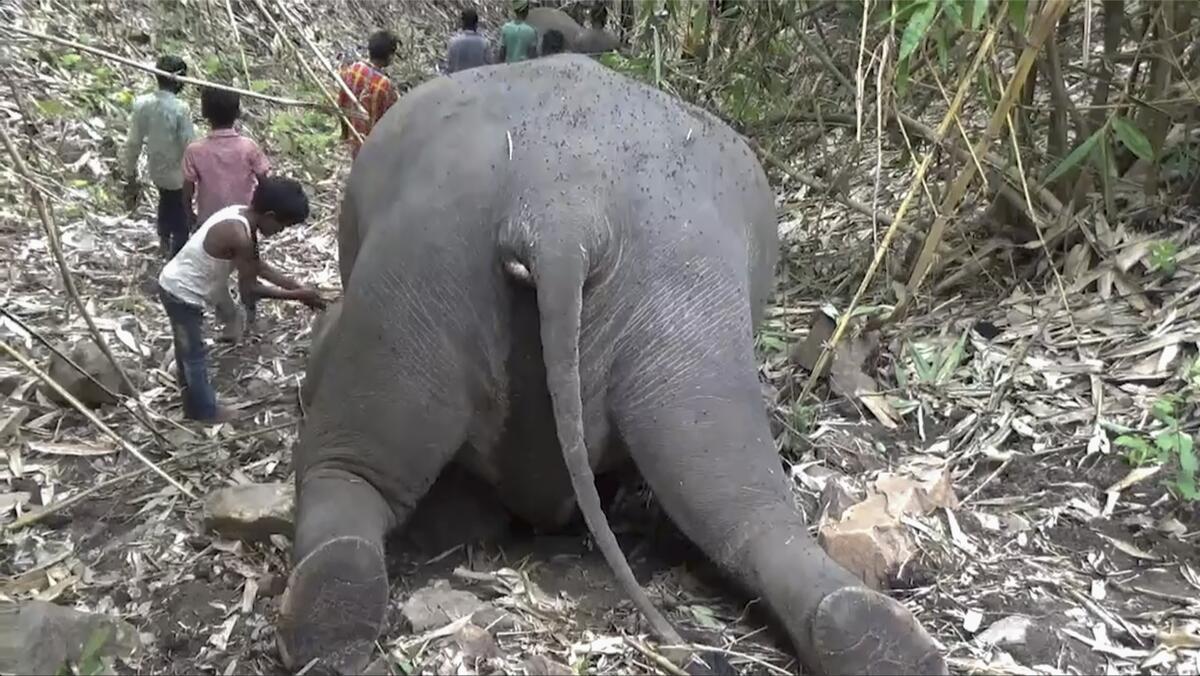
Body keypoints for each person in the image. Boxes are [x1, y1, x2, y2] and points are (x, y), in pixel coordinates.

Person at [158, 177, 326, 422]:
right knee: (193, 356)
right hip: (181, 293)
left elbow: (257, 266)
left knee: (187, 353)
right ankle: (206, 412)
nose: (281, 232)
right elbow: (250, 290)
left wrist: (297, 287)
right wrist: (298, 296)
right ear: (269, 215)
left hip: (177, 286)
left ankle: (194, 406)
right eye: (282, 225)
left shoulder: (240, 214)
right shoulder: (239, 236)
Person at [182, 87, 271, 341]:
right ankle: (250, 310)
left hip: (211, 224)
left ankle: (230, 316)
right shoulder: (248, 147)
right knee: (248, 268)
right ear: (238, 112)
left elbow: (187, 189)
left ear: (204, 112)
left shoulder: (195, 150)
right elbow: (265, 180)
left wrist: (189, 215)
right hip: (246, 222)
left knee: (215, 276)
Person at [123, 55, 195, 259]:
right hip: (178, 171)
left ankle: (164, 242)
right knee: (180, 212)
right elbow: (189, 144)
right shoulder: (181, 108)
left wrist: (129, 171)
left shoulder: (142, 103)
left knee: (166, 201)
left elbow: (133, 141)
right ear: (179, 80)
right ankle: (176, 254)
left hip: (156, 168)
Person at [338, 30, 401, 158]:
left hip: (353, 140)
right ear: (389, 56)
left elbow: (341, 103)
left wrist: (344, 134)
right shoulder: (385, 85)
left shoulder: (353, 69)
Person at [447, 7, 489, 73]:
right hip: (478, 81)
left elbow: (450, 66)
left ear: (463, 23)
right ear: (476, 24)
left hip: (458, 81)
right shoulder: (484, 43)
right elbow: (489, 67)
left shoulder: (453, 43)